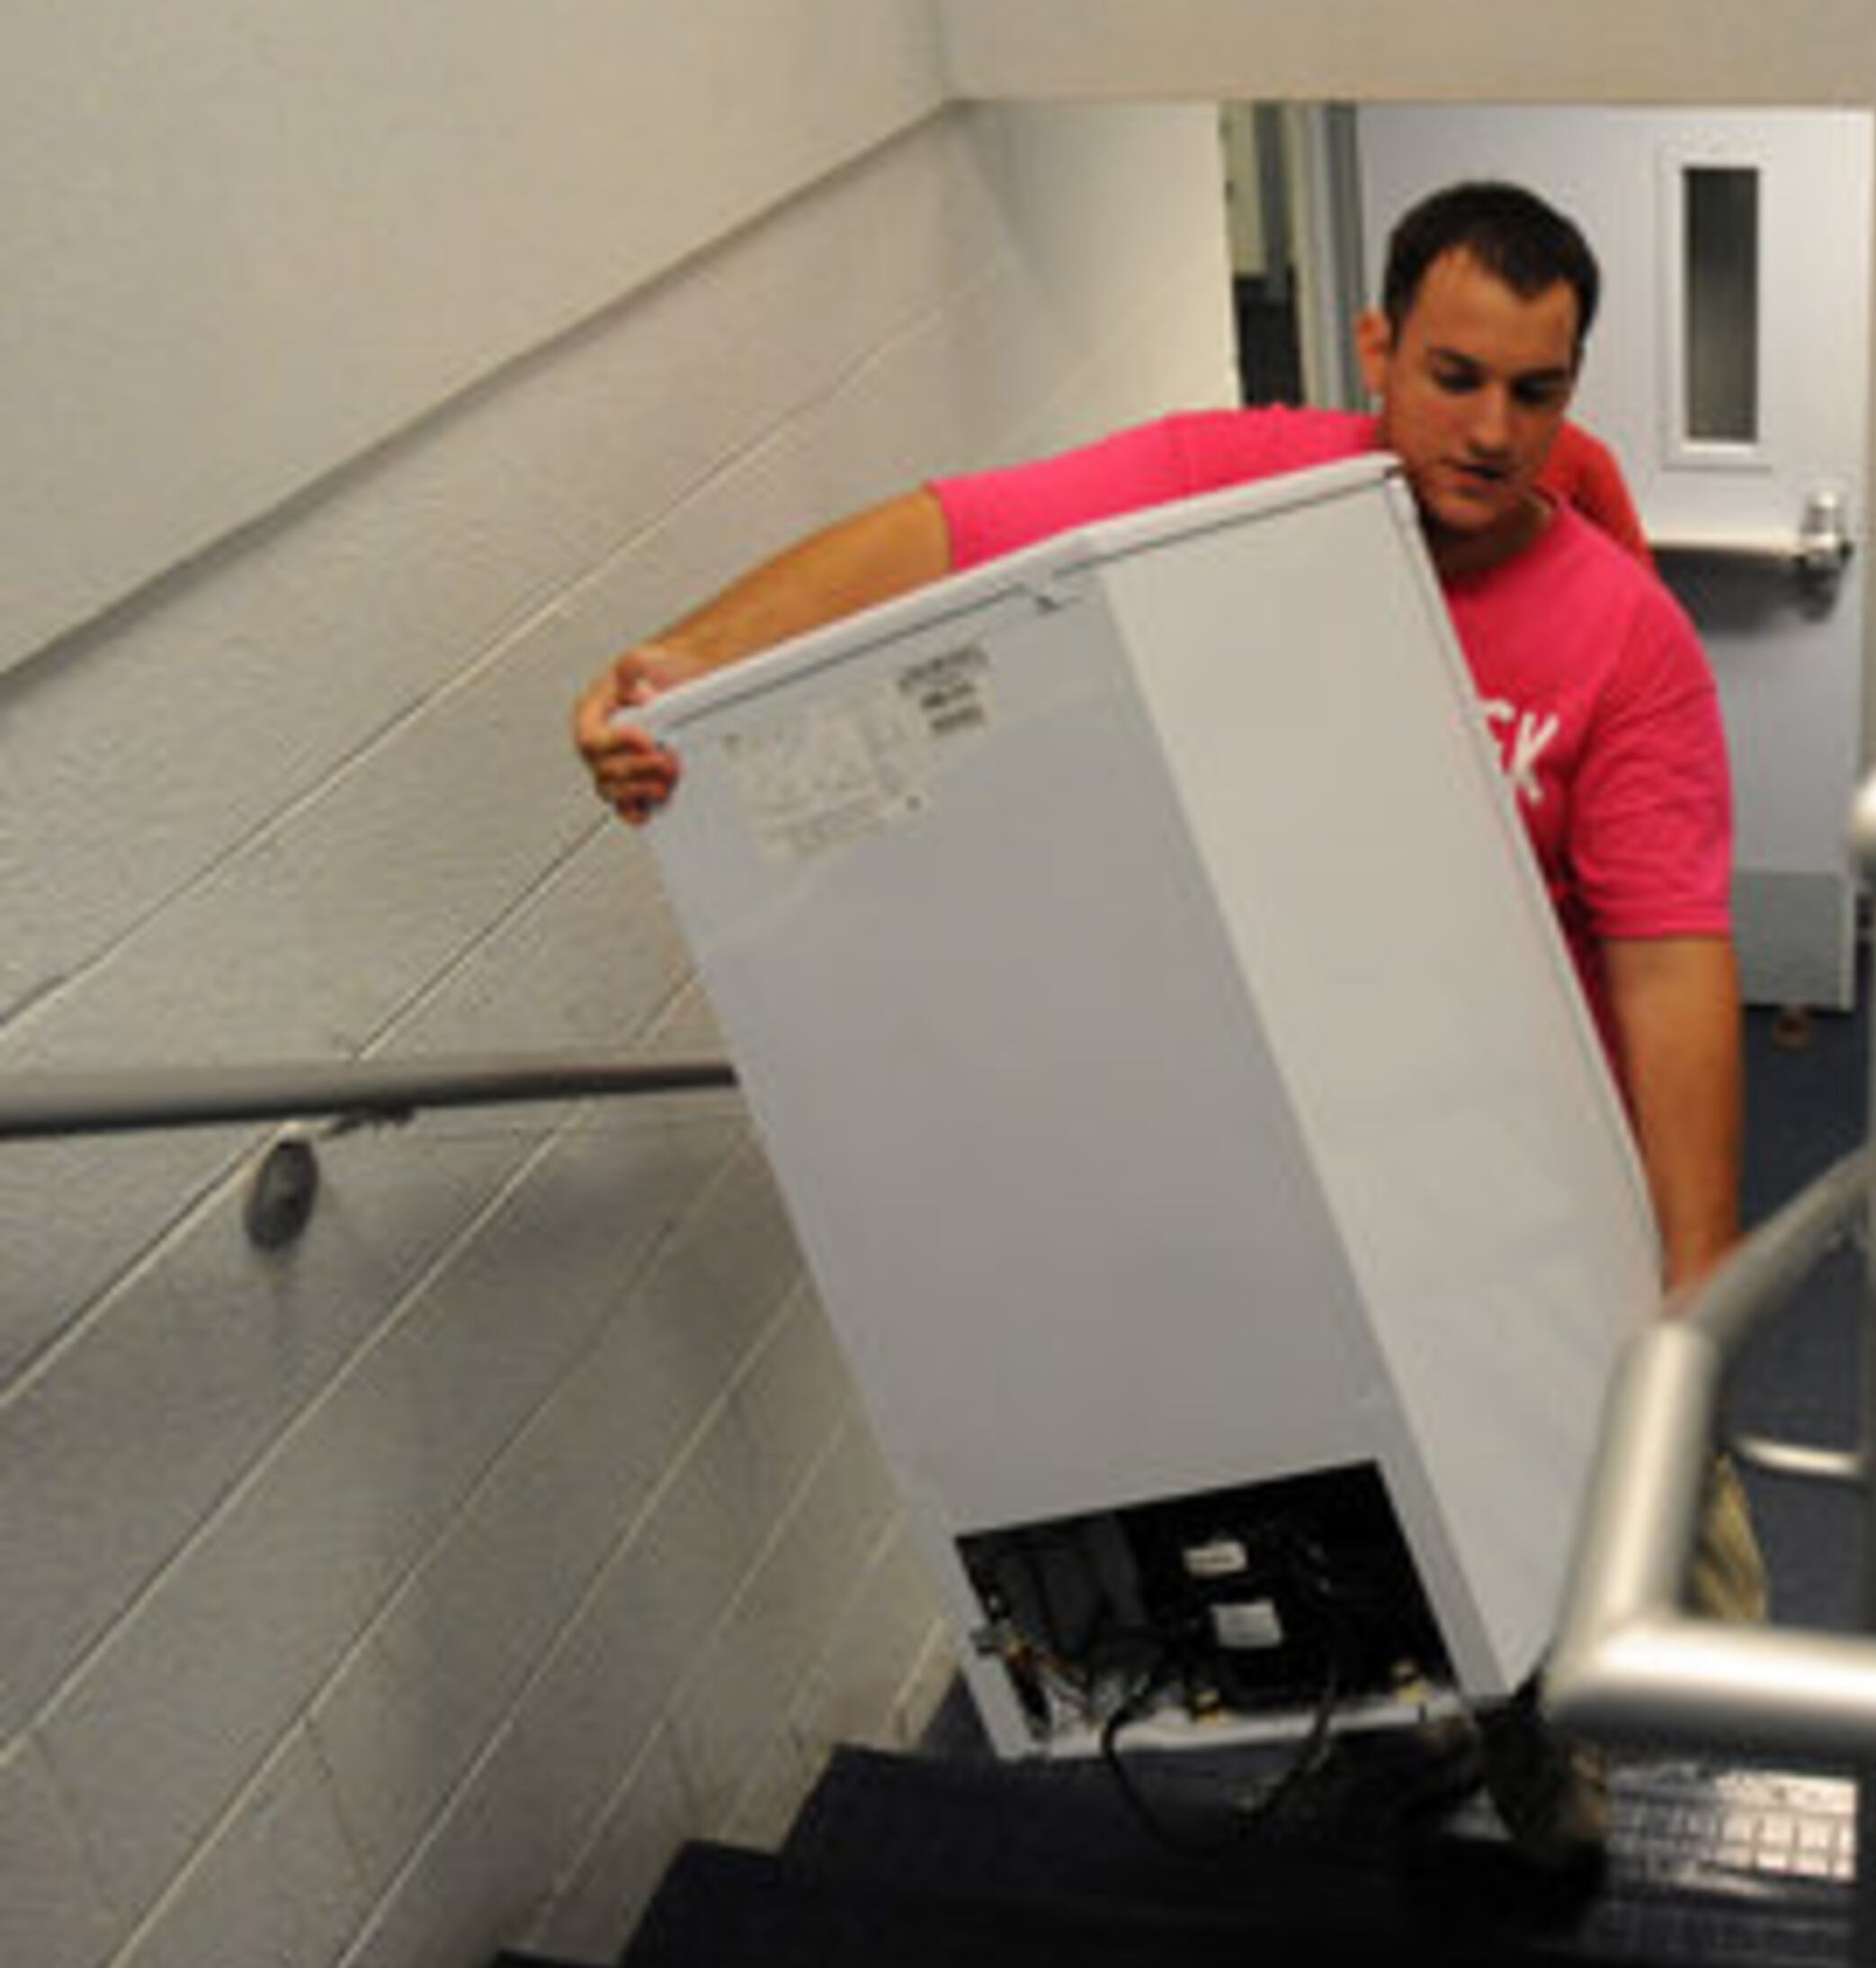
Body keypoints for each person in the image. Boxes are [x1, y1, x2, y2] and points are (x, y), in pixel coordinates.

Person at [574, 179, 1739, 1300]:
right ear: (1378, 350)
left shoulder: (1630, 644)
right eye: (1455, 377)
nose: (1492, 431)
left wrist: (1694, 1287)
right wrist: (687, 664)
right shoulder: (1228, 483)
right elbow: (956, 532)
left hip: (1512, 1183)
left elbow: (1669, 965)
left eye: (1535, 393)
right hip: (1268, 1150)